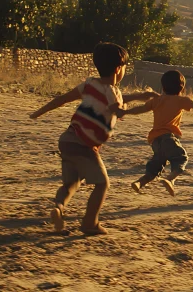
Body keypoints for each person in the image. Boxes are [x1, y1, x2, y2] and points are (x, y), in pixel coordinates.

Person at [29, 43, 157, 235]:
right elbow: (118, 108)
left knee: (71, 183)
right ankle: (90, 223)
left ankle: (58, 207)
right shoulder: (112, 92)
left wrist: (39, 112)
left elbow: (63, 98)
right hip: (84, 145)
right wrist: (147, 107)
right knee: (103, 184)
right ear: (118, 69)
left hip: (67, 140)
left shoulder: (90, 84)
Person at [117, 70, 193, 196]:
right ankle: (170, 179)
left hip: (155, 140)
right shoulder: (182, 100)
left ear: (163, 86)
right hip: (168, 138)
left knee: (157, 164)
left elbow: (140, 109)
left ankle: (139, 183)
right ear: (182, 88)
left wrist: (125, 112)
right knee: (181, 158)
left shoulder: (157, 100)